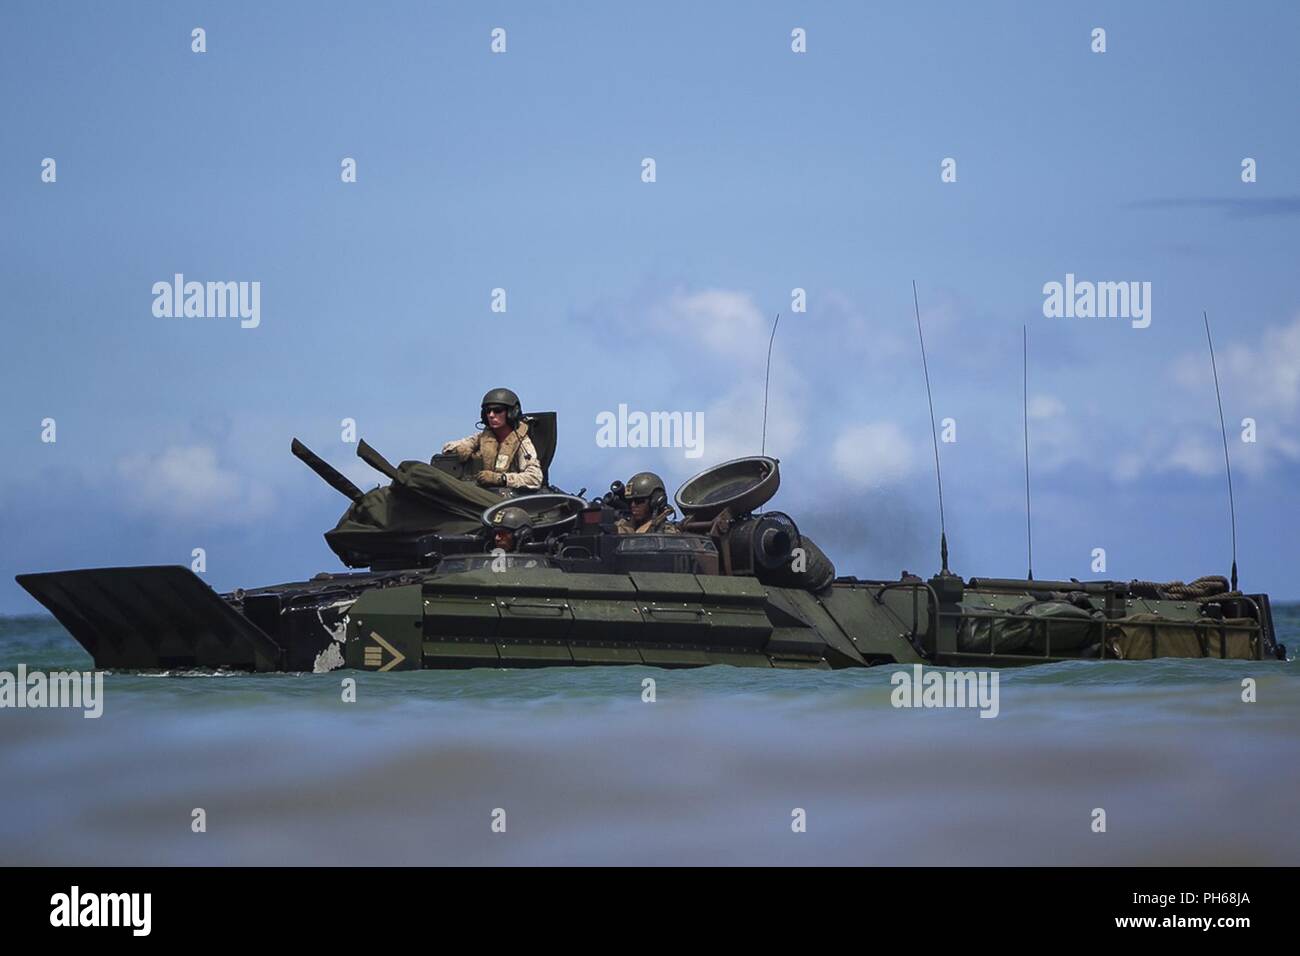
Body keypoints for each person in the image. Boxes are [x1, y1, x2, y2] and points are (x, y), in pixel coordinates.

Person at [441, 387, 543, 490]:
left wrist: (500, 478)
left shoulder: (523, 443)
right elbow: (448, 447)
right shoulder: (482, 437)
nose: (491, 415)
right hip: (479, 491)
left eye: (497, 410)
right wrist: (461, 449)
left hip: (505, 497)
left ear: (512, 413)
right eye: (488, 411)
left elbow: (534, 478)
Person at [614, 471, 680, 534]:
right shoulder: (625, 526)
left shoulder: (667, 532)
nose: (633, 505)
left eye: (639, 501)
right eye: (630, 501)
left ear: (655, 501)